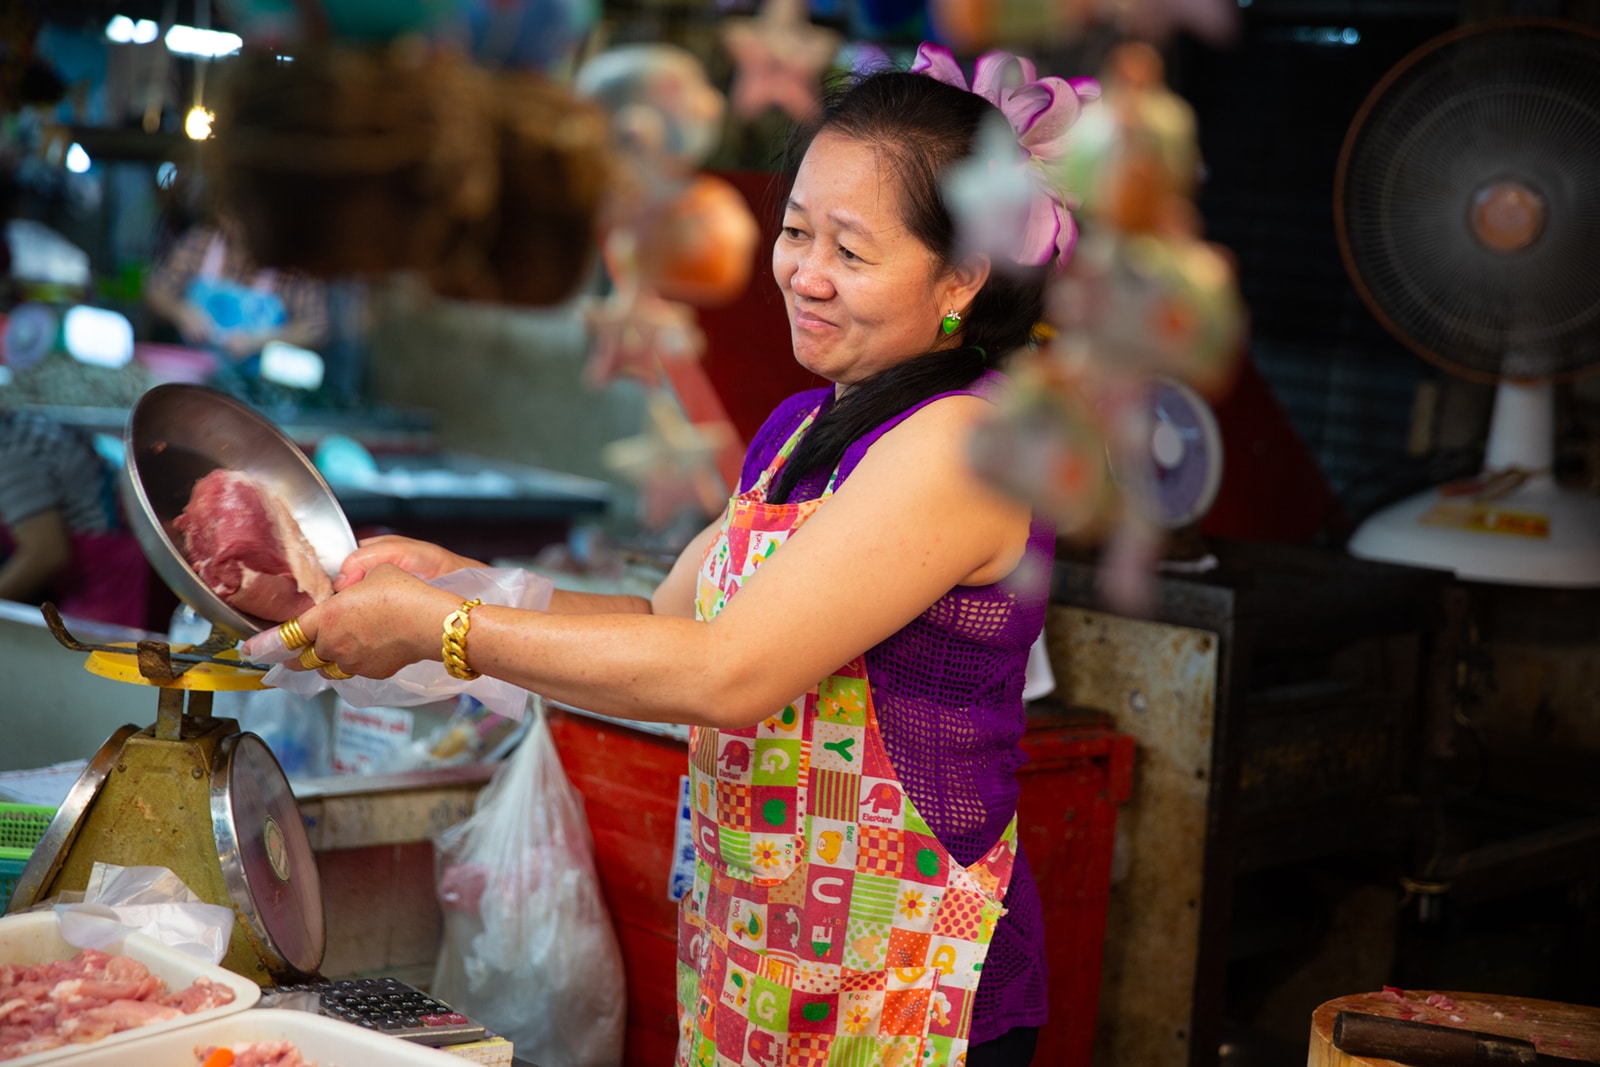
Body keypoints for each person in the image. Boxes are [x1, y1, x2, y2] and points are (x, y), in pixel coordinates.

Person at [260, 48, 1072, 1067]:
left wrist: (443, 629)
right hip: (767, 962)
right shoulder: (802, 426)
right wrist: (457, 577)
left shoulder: (963, 444)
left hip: (910, 986)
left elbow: (727, 671)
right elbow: (664, 620)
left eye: (852, 252)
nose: (805, 274)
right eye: (795, 232)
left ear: (962, 276)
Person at [0, 408, 148, 629]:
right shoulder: (21, 424)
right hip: (88, 572)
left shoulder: (11, 453)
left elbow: (46, 553)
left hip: (109, 576)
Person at [144, 214, 329, 370]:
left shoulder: (290, 264)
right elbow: (154, 292)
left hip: (257, 385)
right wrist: (180, 312)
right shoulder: (199, 242)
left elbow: (316, 328)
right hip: (191, 371)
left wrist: (260, 341)